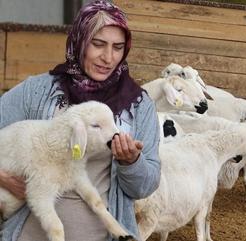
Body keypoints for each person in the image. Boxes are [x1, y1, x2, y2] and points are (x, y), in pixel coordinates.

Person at [0, 1, 161, 241]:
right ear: (79, 40)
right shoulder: (36, 91)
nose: (108, 57)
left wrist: (132, 162)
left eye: (117, 47)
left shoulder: (138, 107)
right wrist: (4, 179)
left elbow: (145, 187)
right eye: (98, 44)